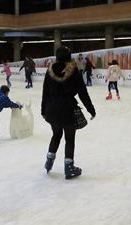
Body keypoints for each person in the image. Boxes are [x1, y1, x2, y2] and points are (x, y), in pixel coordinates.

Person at [41, 46, 96, 179]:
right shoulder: (74, 72)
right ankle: (69, 167)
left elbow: (45, 93)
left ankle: (49, 162)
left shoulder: (50, 72)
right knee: (69, 138)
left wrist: (43, 110)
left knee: (56, 135)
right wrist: (91, 109)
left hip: (52, 109)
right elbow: (83, 93)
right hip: (67, 108)